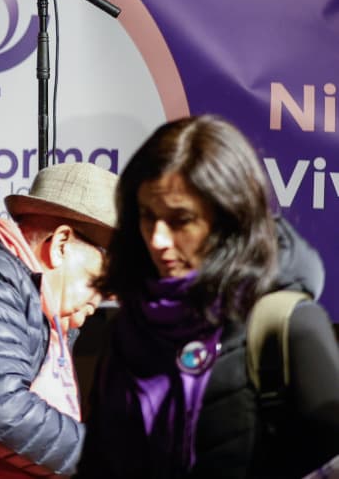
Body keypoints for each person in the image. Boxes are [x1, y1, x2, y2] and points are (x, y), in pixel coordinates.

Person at [78, 115, 339, 478]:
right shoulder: (129, 327)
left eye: (181, 220)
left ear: (228, 219)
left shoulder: (286, 324)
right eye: (147, 216)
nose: (157, 239)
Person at [0, 161, 118, 478]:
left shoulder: (50, 310)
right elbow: (0, 408)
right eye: (99, 280)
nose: (101, 299)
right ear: (60, 244)